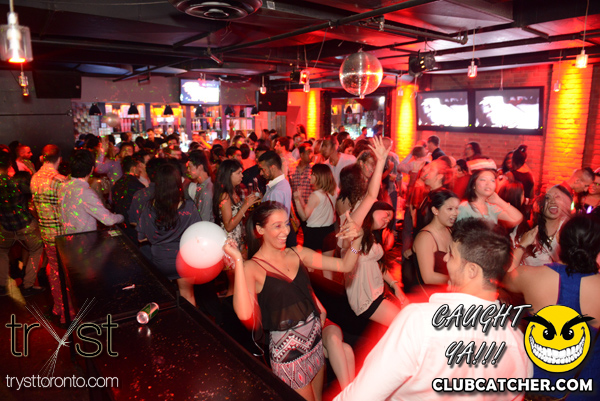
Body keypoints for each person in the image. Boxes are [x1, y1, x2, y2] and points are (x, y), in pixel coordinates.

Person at [335, 218, 532, 401]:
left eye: (452, 255)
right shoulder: (517, 343)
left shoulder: (418, 322)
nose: (445, 259)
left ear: (472, 271)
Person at [222, 201, 364, 401]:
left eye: (286, 224)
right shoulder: (252, 268)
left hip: (315, 343)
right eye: (277, 226)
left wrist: (357, 240)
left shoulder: (298, 253)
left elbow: (345, 265)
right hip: (289, 356)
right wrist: (238, 261)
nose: (285, 231)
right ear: (260, 230)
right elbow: (244, 314)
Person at [504, 214, 600, 400]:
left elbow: (505, 278)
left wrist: (522, 245)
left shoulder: (531, 276)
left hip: (538, 386)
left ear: (559, 239)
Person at [339, 137, 404, 326]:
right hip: (364, 297)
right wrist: (381, 162)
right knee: (403, 324)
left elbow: (376, 264)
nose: (387, 218)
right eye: (385, 214)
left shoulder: (370, 229)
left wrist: (395, 286)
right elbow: (371, 195)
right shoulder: (353, 222)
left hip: (377, 291)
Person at [137, 163, 200, 306]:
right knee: (188, 296)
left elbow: (141, 238)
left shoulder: (149, 207)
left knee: (163, 301)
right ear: (177, 182)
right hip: (184, 259)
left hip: (160, 260)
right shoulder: (189, 207)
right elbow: (197, 235)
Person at [31, 145, 68, 320]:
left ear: (42, 158)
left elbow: (34, 207)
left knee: (54, 271)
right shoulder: (60, 181)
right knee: (65, 275)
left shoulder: (34, 178)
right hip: (61, 235)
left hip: (46, 233)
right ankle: (68, 312)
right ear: (59, 159)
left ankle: (58, 308)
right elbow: (68, 211)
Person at [0, 151, 44, 298]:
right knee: (36, 250)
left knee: (2, 253)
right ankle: (28, 285)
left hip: (5, 227)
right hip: (25, 225)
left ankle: (2, 286)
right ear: (8, 164)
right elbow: (32, 192)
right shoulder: (15, 182)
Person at [59, 150, 124, 234]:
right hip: (83, 239)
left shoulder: (63, 186)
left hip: (68, 237)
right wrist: (121, 217)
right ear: (92, 169)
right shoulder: (85, 192)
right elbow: (108, 220)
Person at [409, 190, 459, 297]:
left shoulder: (450, 231)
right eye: (450, 209)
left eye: (457, 208)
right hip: (428, 296)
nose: (455, 213)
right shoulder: (425, 237)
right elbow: (428, 277)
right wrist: (457, 280)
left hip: (447, 293)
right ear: (435, 210)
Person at [511, 185, 572, 268]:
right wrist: (522, 245)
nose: (553, 201)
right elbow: (511, 265)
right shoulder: (524, 230)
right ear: (539, 205)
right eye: (547, 198)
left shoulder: (570, 230)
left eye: (557, 197)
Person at [213, 159, 260, 255]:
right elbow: (228, 226)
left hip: (237, 240)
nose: (242, 176)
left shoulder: (234, 192)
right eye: (238, 173)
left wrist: (242, 243)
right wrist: (245, 206)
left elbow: (238, 222)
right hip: (229, 243)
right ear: (228, 175)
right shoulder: (225, 196)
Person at [293, 164, 337, 254]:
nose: (310, 176)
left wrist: (296, 200)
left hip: (314, 233)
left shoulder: (315, 195)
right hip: (329, 231)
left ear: (318, 177)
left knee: (308, 262)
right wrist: (300, 198)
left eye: (312, 174)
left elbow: (304, 217)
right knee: (327, 262)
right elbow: (311, 210)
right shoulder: (332, 193)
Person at [457, 168, 523, 228]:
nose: (488, 183)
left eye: (492, 181)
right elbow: (458, 233)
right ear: (473, 185)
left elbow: (517, 218)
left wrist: (499, 201)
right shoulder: (465, 207)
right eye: (483, 180)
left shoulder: (491, 207)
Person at [185, 150, 214, 222]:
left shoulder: (206, 191)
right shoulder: (201, 185)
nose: (188, 170)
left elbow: (204, 221)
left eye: (190, 167)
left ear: (200, 167)